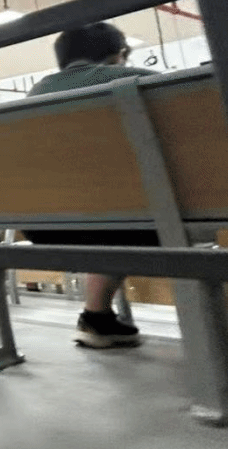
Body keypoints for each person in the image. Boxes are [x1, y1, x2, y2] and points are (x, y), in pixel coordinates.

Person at [25, 22, 155, 348]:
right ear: (118, 54)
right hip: (138, 220)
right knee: (128, 218)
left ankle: (97, 317)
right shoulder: (139, 80)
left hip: (45, 227)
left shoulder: (32, 97)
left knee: (109, 221)